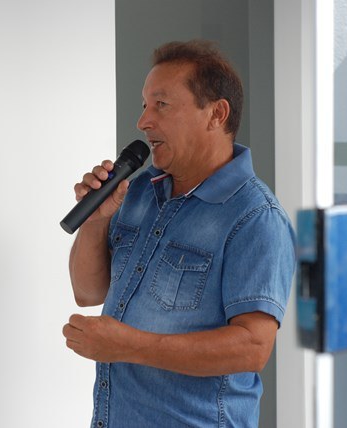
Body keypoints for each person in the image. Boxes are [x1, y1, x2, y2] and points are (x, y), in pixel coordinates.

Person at [62, 40, 296, 428]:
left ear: (216, 114)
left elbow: (252, 347)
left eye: (161, 105)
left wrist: (129, 346)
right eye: (144, 105)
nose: (143, 121)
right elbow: (87, 292)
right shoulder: (137, 192)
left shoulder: (255, 217)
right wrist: (96, 221)